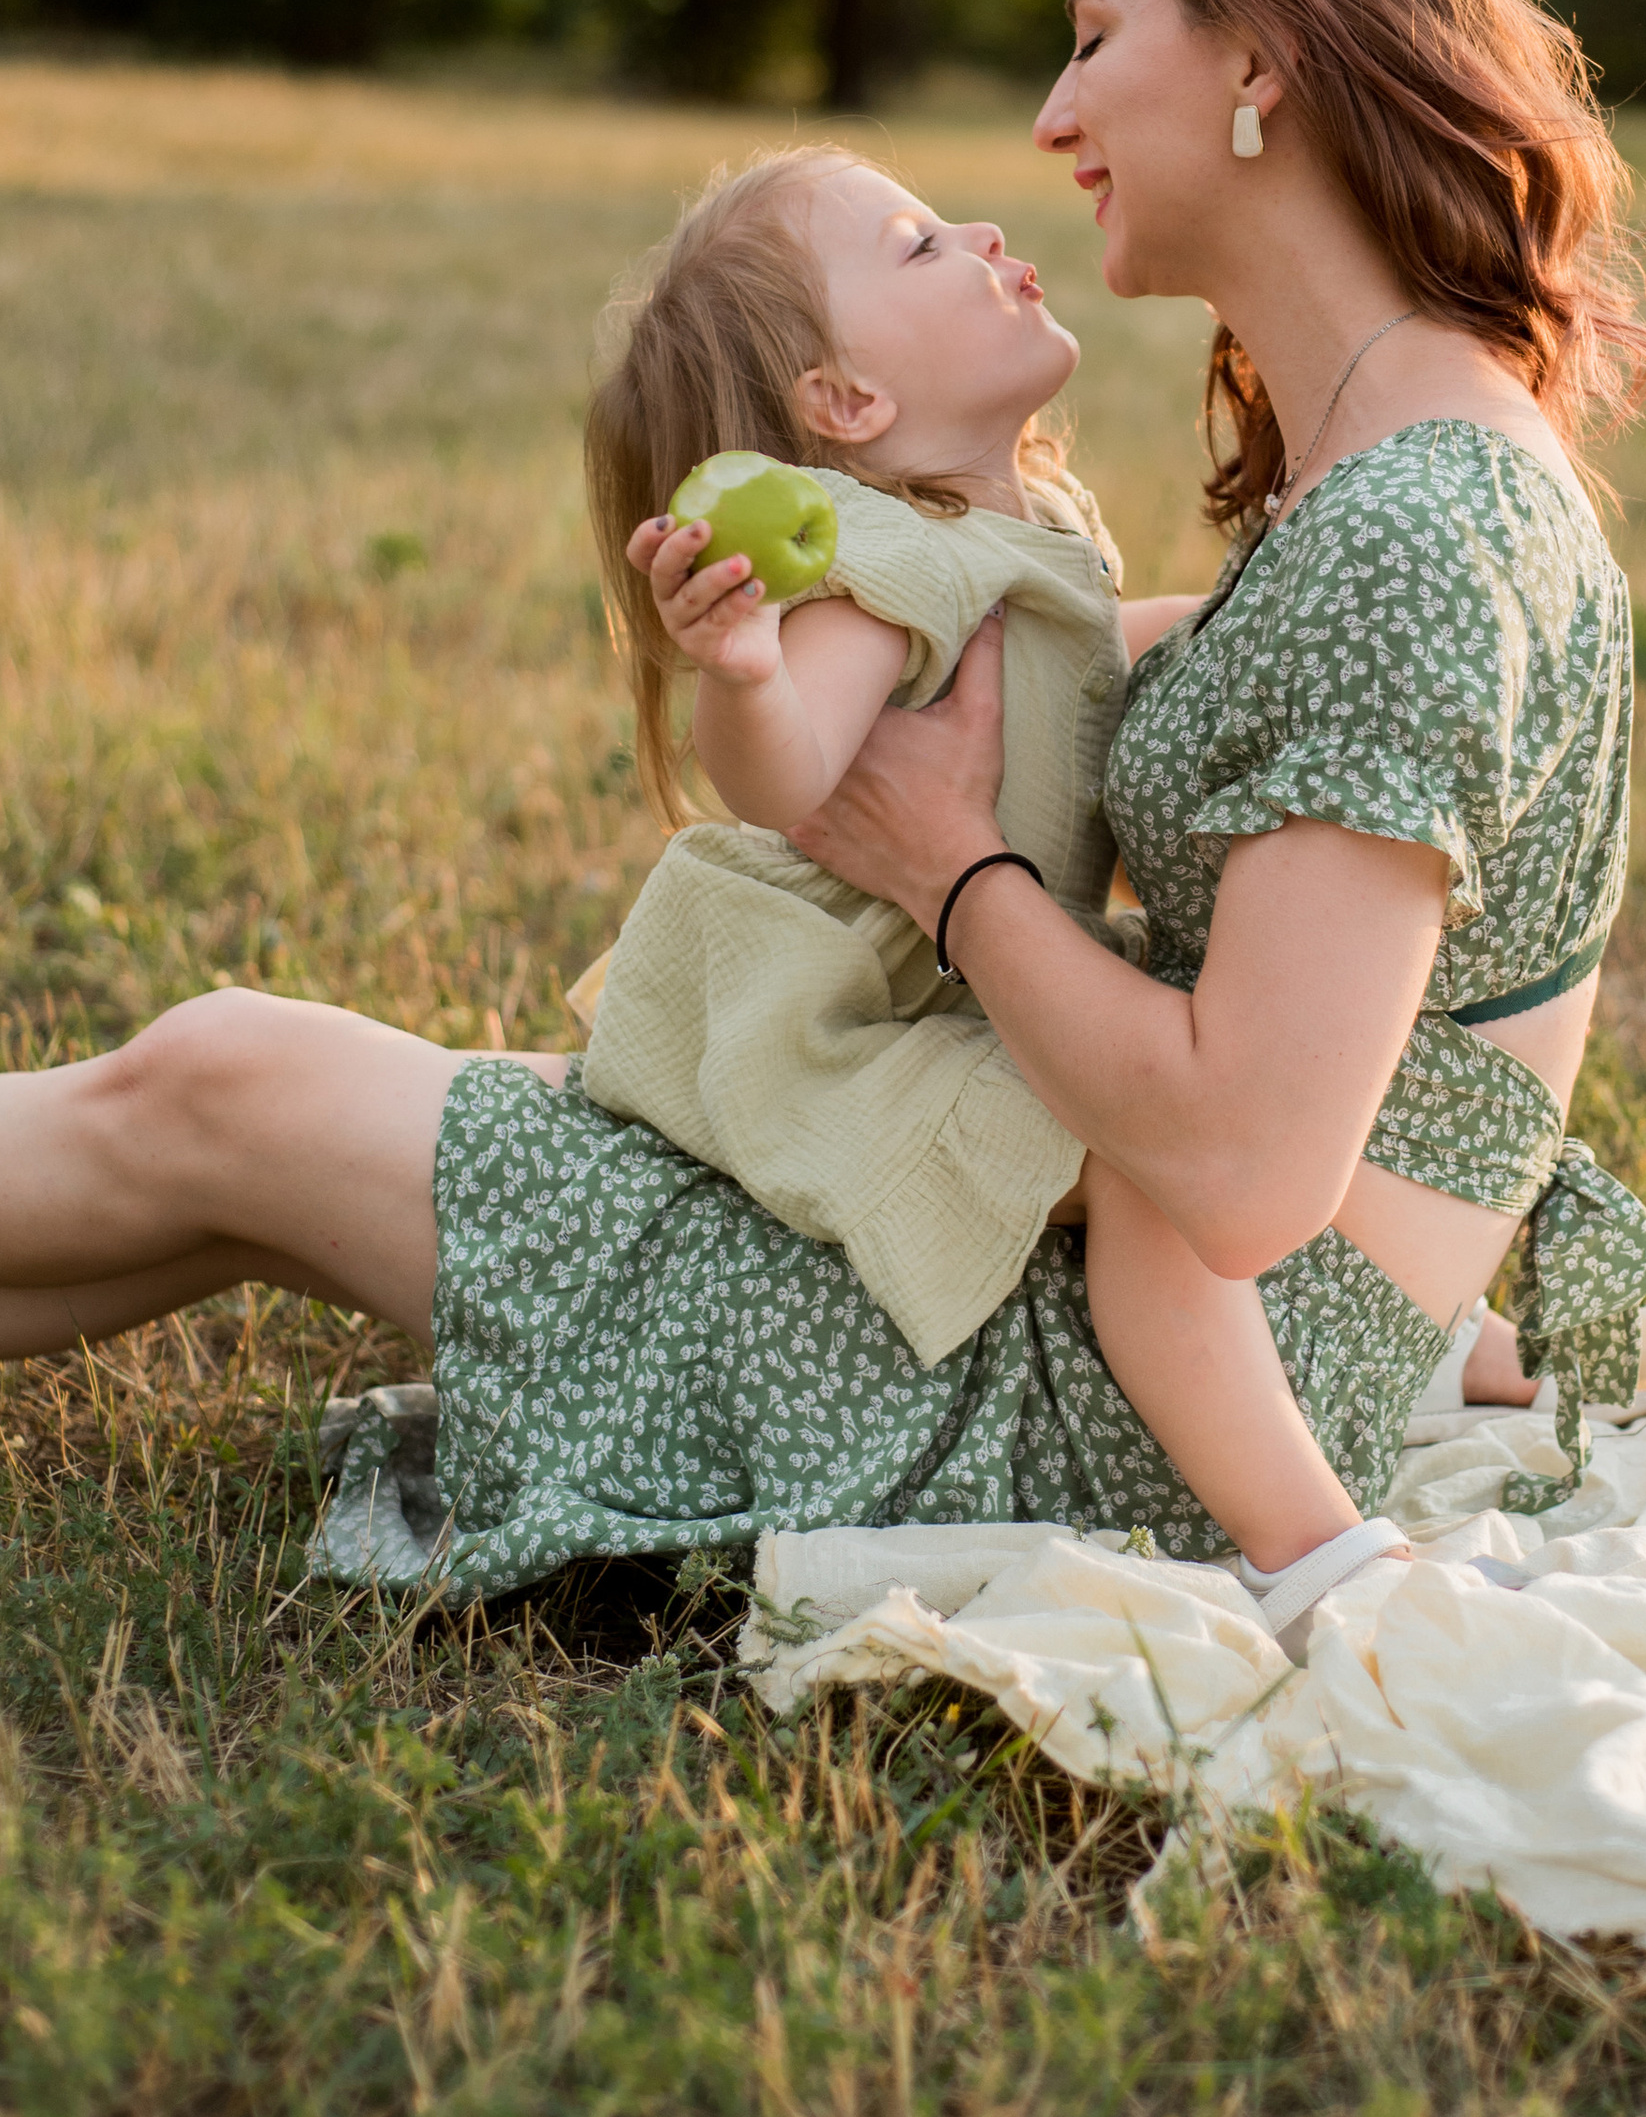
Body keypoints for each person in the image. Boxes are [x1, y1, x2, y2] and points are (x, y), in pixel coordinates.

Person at [0, 0, 1646, 1659]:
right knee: (230, 1142)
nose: (1050, 117)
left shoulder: (1416, 531)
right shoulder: (1413, 466)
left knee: (229, 1092)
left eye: (1096, 37)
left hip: (1107, 1409)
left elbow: (1243, 1165)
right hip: (1055, 1266)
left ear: (1263, 56)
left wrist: (947, 869)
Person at [570, 135, 1405, 1592]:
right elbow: (790, 777)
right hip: (853, 1033)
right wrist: (748, 669)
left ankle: (1444, 1342)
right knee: (1159, 1151)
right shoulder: (878, 565)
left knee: (1262, 1051)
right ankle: (1313, 1547)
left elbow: (1099, 664)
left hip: (971, 981)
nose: (975, 226)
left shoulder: (1035, 532)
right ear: (847, 402)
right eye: (912, 244)